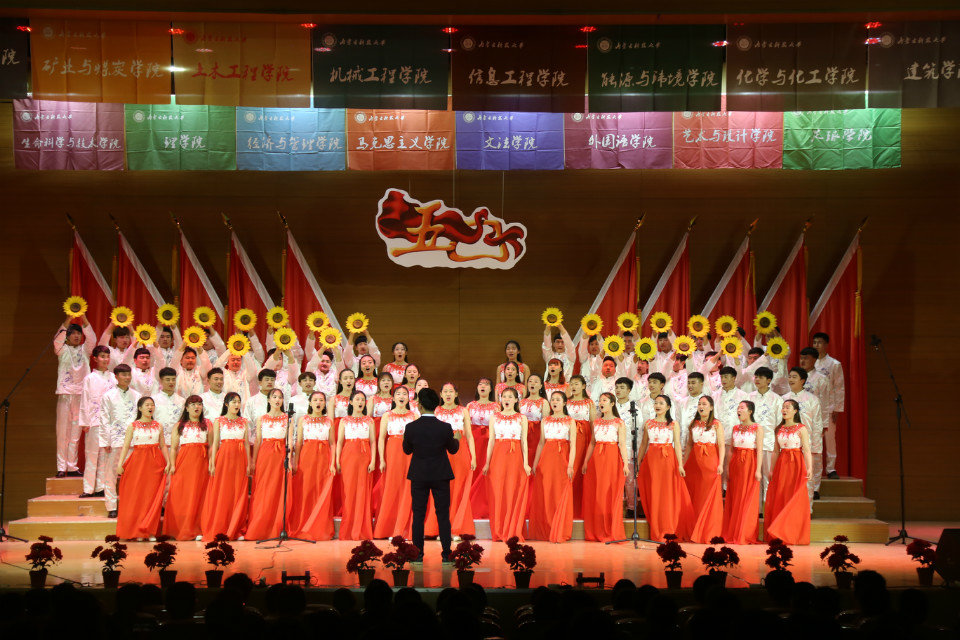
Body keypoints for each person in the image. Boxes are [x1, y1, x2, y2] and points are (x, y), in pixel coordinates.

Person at [403, 388, 460, 562]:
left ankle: (417, 553)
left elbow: (407, 450)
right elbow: (453, 450)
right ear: (436, 405)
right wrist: (457, 439)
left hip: (419, 475)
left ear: (419, 406)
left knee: (418, 515)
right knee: (443, 515)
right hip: (440, 475)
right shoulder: (445, 427)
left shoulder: (411, 427)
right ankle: (446, 553)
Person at [636, 395, 694, 541]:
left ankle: (668, 528)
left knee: (667, 495)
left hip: (668, 461)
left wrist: (680, 465)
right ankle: (657, 528)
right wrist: (638, 462)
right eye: (656, 403)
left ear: (668, 407)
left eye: (661, 403)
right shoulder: (648, 423)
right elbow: (643, 444)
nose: (657, 405)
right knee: (655, 494)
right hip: (652, 461)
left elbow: (677, 445)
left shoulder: (673, 424)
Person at [116, 397, 168, 540]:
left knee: (151, 497)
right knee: (138, 497)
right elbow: (126, 446)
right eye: (147, 405)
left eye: (152, 405)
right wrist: (120, 463)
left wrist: (168, 462)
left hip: (155, 464)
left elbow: (163, 445)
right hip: (137, 464)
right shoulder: (133, 426)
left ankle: (149, 531)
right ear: (140, 408)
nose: (150, 407)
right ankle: (138, 531)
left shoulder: (158, 425)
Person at [200, 391, 250, 540]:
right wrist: (212, 462)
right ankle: (221, 526)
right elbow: (215, 443)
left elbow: (247, 444)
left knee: (238, 492)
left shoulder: (244, 421)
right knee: (223, 491)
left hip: (240, 458)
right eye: (233, 402)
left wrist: (249, 463)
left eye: (238, 401)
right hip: (224, 457)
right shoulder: (219, 421)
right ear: (227, 404)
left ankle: (237, 528)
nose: (236, 404)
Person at [581, 393, 630, 543]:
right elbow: (592, 443)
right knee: (597, 494)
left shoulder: (619, 422)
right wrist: (586, 462)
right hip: (596, 459)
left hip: (612, 458)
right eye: (600, 400)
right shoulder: (596, 422)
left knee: (609, 493)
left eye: (604, 400)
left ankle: (610, 529)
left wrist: (625, 463)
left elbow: (622, 444)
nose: (601, 403)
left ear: (612, 403)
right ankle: (597, 529)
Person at [483, 387, 530, 541]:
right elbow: (491, 441)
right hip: (498, 457)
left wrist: (526, 463)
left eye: (510, 396)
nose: (507, 399)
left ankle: (512, 530)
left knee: (512, 491)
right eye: (504, 396)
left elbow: (524, 441)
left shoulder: (522, 418)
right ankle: (498, 529)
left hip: (515, 457)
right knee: (498, 493)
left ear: (516, 400)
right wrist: (487, 463)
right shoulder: (494, 417)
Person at [528, 391, 575, 542]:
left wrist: (570, 465)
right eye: (553, 399)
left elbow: (573, 445)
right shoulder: (545, 420)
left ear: (564, 402)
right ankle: (547, 529)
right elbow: (541, 443)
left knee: (559, 493)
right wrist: (535, 463)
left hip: (562, 459)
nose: (554, 402)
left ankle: (559, 529)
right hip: (546, 459)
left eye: (558, 400)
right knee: (546, 493)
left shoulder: (570, 421)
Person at [764, 399, 812, 544]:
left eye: (788, 407)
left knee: (794, 496)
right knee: (781, 495)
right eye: (783, 407)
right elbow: (775, 451)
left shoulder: (801, 429)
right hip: (782, 465)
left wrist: (809, 467)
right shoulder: (779, 429)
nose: (784, 410)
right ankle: (780, 533)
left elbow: (806, 450)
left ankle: (792, 533)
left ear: (795, 411)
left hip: (796, 464)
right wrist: (771, 470)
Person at [246, 389, 292, 541]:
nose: (277, 400)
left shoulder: (287, 419)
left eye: (280, 397)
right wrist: (254, 461)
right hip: (265, 455)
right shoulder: (262, 418)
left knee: (278, 489)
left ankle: (276, 527)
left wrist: (289, 459)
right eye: (274, 397)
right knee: (264, 489)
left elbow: (290, 441)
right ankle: (260, 527)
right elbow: (258, 440)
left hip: (281, 455)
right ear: (269, 400)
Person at [162, 395, 210, 540]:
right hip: (183, 463)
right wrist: (172, 464)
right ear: (187, 408)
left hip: (202, 463)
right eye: (193, 404)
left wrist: (211, 463)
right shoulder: (179, 425)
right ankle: (180, 528)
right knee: (182, 495)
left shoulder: (207, 424)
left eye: (199, 404)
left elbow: (212, 446)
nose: (197, 407)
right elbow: (173, 447)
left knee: (199, 496)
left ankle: (198, 529)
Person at [54, 317, 97, 477]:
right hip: (65, 395)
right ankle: (61, 467)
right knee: (62, 433)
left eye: (79, 333)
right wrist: (69, 319)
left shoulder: (85, 350)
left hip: (81, 396)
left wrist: (84, 319)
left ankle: (72, 466)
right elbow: (57, 339)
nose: (77, 336)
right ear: (67, 336)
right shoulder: (62, 350)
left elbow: (92, 339)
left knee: (75, 433)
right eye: (73, 333)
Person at [374, 386, 418, 538]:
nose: (401, 396)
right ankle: (388, 528)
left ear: (408, 398)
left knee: (409, 486)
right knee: (391, 487)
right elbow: (381, 438)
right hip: (392, 451)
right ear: (393, 398)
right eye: (398, 394)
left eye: (404, 394)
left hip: (410, 453)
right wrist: (382, 459)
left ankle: (405, 529)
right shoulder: (387, 415)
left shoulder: (414, 416)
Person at [291, 391, 336, 541]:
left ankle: (319, 527)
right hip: (307, 457)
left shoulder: (329, 421)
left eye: (321, 400)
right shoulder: (303, 420)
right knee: (306, 491)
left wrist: (332, 462)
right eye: (315, 400)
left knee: (321, 490)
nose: (318, 402)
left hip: (324, 458)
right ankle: (303, 526)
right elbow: (298, 443)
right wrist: (295, 462)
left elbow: (332, 443)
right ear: (310, 403)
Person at [98, 364, 141, 518]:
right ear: (116, 376)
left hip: (133, 442)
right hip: (114, 441)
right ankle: (111, 506)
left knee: (132, 475)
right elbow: (104, 419)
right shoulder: (108, 396)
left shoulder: (137, 395)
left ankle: (129, 505)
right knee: (110, 475)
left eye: (129, 374)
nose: (127, 377)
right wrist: (105, 441)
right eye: (124, 375)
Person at [435, 383, 476, 537]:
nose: (448, 394)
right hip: (440, 454)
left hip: (460, 453)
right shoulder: (436, 411)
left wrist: (473, 456)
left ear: (456, 394)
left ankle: (457, 529)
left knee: (458, 489)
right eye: (445, 391)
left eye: (451, 391)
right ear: (440, 394)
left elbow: (469, 436)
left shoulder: (463, 411)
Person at [682, 396, 724, 543]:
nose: (701, 406)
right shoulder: (693, 423)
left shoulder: (716, 424)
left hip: (710, 461)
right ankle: (695, 529)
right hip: (695, 462)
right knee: (696, 495)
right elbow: (689, 445)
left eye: (704, 404)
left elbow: (722, 445)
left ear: (711, 407)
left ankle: (708, 531)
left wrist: (721, 464)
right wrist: (683, 463)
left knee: (709, 495)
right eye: (699, 404)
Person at [721, 401, 763, 544]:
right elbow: (731, 450)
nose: (739, 410)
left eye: (742, 408)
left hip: (750, 463)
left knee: (747, 496)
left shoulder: (757, 428)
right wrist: (727, 468)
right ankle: (733, 531)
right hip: (736, 463)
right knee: (735, 496)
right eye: (738, 408)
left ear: (750, 411)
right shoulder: (735, 428)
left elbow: (760, 451)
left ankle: (744, 532)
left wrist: (758, 470)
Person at [781, 367, 824, 504]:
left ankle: (807, 507)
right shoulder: (783, 399)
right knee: (787, 479)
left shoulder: (812, 399)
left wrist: (815, 447)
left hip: (807, 445)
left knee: (807, 478)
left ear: (803, 380)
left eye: (794, 377)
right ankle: (788, 507)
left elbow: (817, 425)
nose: (791, 379)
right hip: (788, 447)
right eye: (789, 376)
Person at [337, 390, 376, 540]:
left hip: (365, 456)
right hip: (348, 456)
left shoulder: (369, 420)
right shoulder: (344, 420)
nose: (360, 402)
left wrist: (373, 460)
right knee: (349, 491)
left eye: (362, 399)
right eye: (357, 399)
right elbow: (339, 442)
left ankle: (362, 530)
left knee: (363, 491)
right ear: (351, 402)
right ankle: (348, 529)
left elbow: (373, 442)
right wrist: (337, 460)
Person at [79, 345, 116, 497]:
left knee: (105, 456)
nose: (106, 360)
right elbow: (85, 400)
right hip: (94, 421)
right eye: (102, 356)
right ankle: (88, 488)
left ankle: (101, 487)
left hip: (109, 423)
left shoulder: (113, 377)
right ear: (95, 358)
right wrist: (85, 422)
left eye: (107, 356)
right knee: (92, 455)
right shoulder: (89, 378)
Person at [747, 366, 784, 502]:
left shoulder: (777, 399)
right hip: (751, 444)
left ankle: (767, 506)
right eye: (756, 377)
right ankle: (755, 508)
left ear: (769, 380)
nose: (757, 379)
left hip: (769, 443)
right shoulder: (749, 397)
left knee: (768, 476)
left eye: (761, 377)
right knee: (753, 477)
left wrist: (777, 444)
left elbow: (780, 423)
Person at [812, 332, 845, 480]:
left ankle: (831, 468)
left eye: (819, 342)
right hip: (813, 406)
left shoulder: (834, 364)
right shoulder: (811, 363)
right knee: (813, 438)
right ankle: (812, 468)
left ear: (826, 344)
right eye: (815, 342)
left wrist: (837, 408)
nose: (816, 345)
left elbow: (839, 387)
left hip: (829, 406)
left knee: (830, 438)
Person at [467, 378, 498, 518]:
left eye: (486, 384)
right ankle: (470, 504)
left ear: (491, 389)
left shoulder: (496, 406)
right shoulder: (470, 405)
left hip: (489, 441)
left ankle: (485, 506)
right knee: (473, 469)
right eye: (480, 384)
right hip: (473, 442)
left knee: (487, 470)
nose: (483, 386)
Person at [565, 375, 595, 519]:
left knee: (581, 472)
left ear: (583, 386)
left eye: (576, 384)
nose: (574, 386)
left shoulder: (589, 403)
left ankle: (581, 509)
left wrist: (593, 442)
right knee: (570, 470)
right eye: (571, 384)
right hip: (569, 439)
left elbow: (593, 423)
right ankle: (568, 507)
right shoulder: (566, 402)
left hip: (584, 439)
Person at [519, 375, 549, 467]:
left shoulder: (544, 402)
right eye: (530, 381)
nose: (532, 383)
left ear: (541, 386)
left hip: (536, 434)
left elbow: (546, 423)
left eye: (536, 382)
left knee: (534, 458)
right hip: (522, 433)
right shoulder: (521, 402)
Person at [243, 370, 277, 445]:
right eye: (267, 379)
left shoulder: (279, 401)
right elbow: (247, 423)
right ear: (260, 382)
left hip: (276, 442)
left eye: (272, 380)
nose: (270, 382)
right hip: (256, 442)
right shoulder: (251, 401)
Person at [153, 367, 184, 447]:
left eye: (173, 379)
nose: (171, 382)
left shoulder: (182, 401)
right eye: (167, 379)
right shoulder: (154, 400)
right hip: (158, 441)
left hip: (177, 441)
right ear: (161, 381)